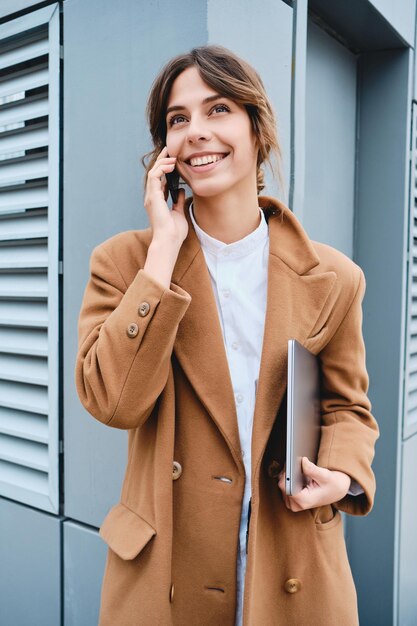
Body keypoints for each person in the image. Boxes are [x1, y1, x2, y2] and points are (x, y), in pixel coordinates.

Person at [75, 45, 379, 626]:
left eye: (218, 110)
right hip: (168, 568)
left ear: (257, 128)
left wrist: (339, 475)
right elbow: (113, 402)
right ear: (163, 149)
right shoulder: (124, 264)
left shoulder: (335, 278)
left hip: (288, 564)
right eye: (178, 119)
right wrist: (162, 251)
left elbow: (348, 408)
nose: (195, 132)